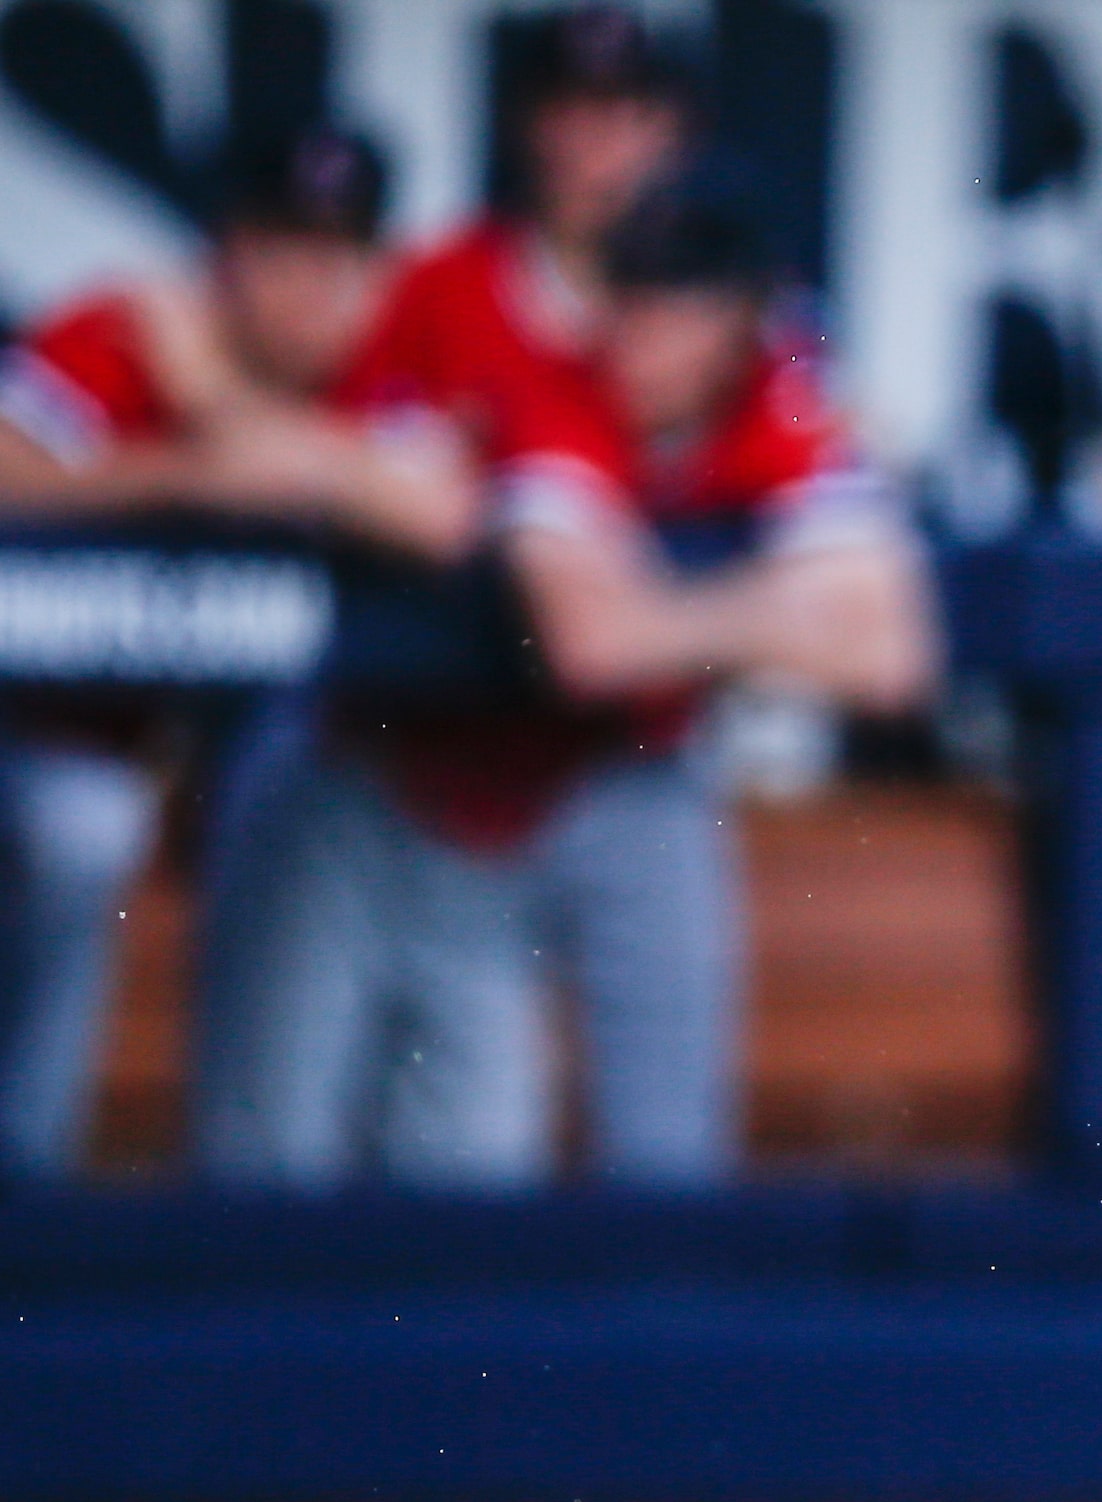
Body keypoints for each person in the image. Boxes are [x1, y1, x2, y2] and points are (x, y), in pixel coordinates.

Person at [190, 178, 937, 1187]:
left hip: (585, 783)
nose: (644, 332)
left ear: (737, 322)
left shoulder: (782, 403)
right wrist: (772, 606)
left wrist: (678, 608)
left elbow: (889, 658)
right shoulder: (548, 384)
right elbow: (590, 641)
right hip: (391, 770)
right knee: (303, 1155)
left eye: (677, 306)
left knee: (539, 1165)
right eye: (628, 297)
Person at [0, 125, 473, 1175]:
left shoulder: (393, 353)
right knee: (82, 829)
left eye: (333, 255)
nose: (305, 285)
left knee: (311, 794)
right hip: (76, 727)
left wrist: (228, 414)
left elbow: (442, 516)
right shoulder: (133, 326)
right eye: (277, 249)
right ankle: (22, 1175)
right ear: (225, 251)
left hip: (278, 747)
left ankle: (256, 1178)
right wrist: (178, 473)